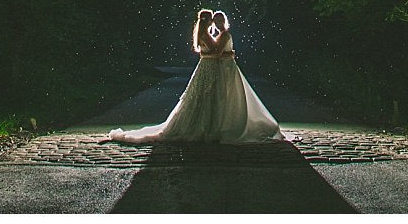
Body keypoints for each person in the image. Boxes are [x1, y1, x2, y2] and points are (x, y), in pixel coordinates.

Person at [106, 8, 283, 144]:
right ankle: (210, 127)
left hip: (211, 67)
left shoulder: (206, 33)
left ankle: (211, 126)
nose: (216, 23)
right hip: (211, 67)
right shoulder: (209, 34)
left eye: (218, 20)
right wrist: (230, 54)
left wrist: (225, 54)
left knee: (208, 96)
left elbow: (211, 52)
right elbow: (215, 53)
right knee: (208, 96)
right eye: (214, 20)